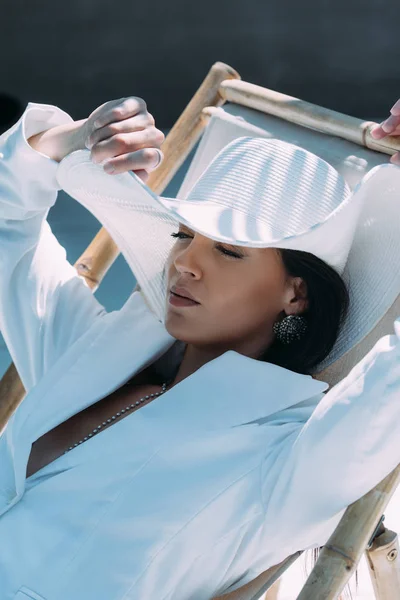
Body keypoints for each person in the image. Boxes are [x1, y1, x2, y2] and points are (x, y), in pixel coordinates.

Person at [0, 95, 399, 600]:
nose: (184, 261)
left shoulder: (285, 457)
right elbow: (8, 225)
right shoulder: (92, 356)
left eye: (229, 250)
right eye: (182, 234)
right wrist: (71, 140)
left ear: (295, 293)